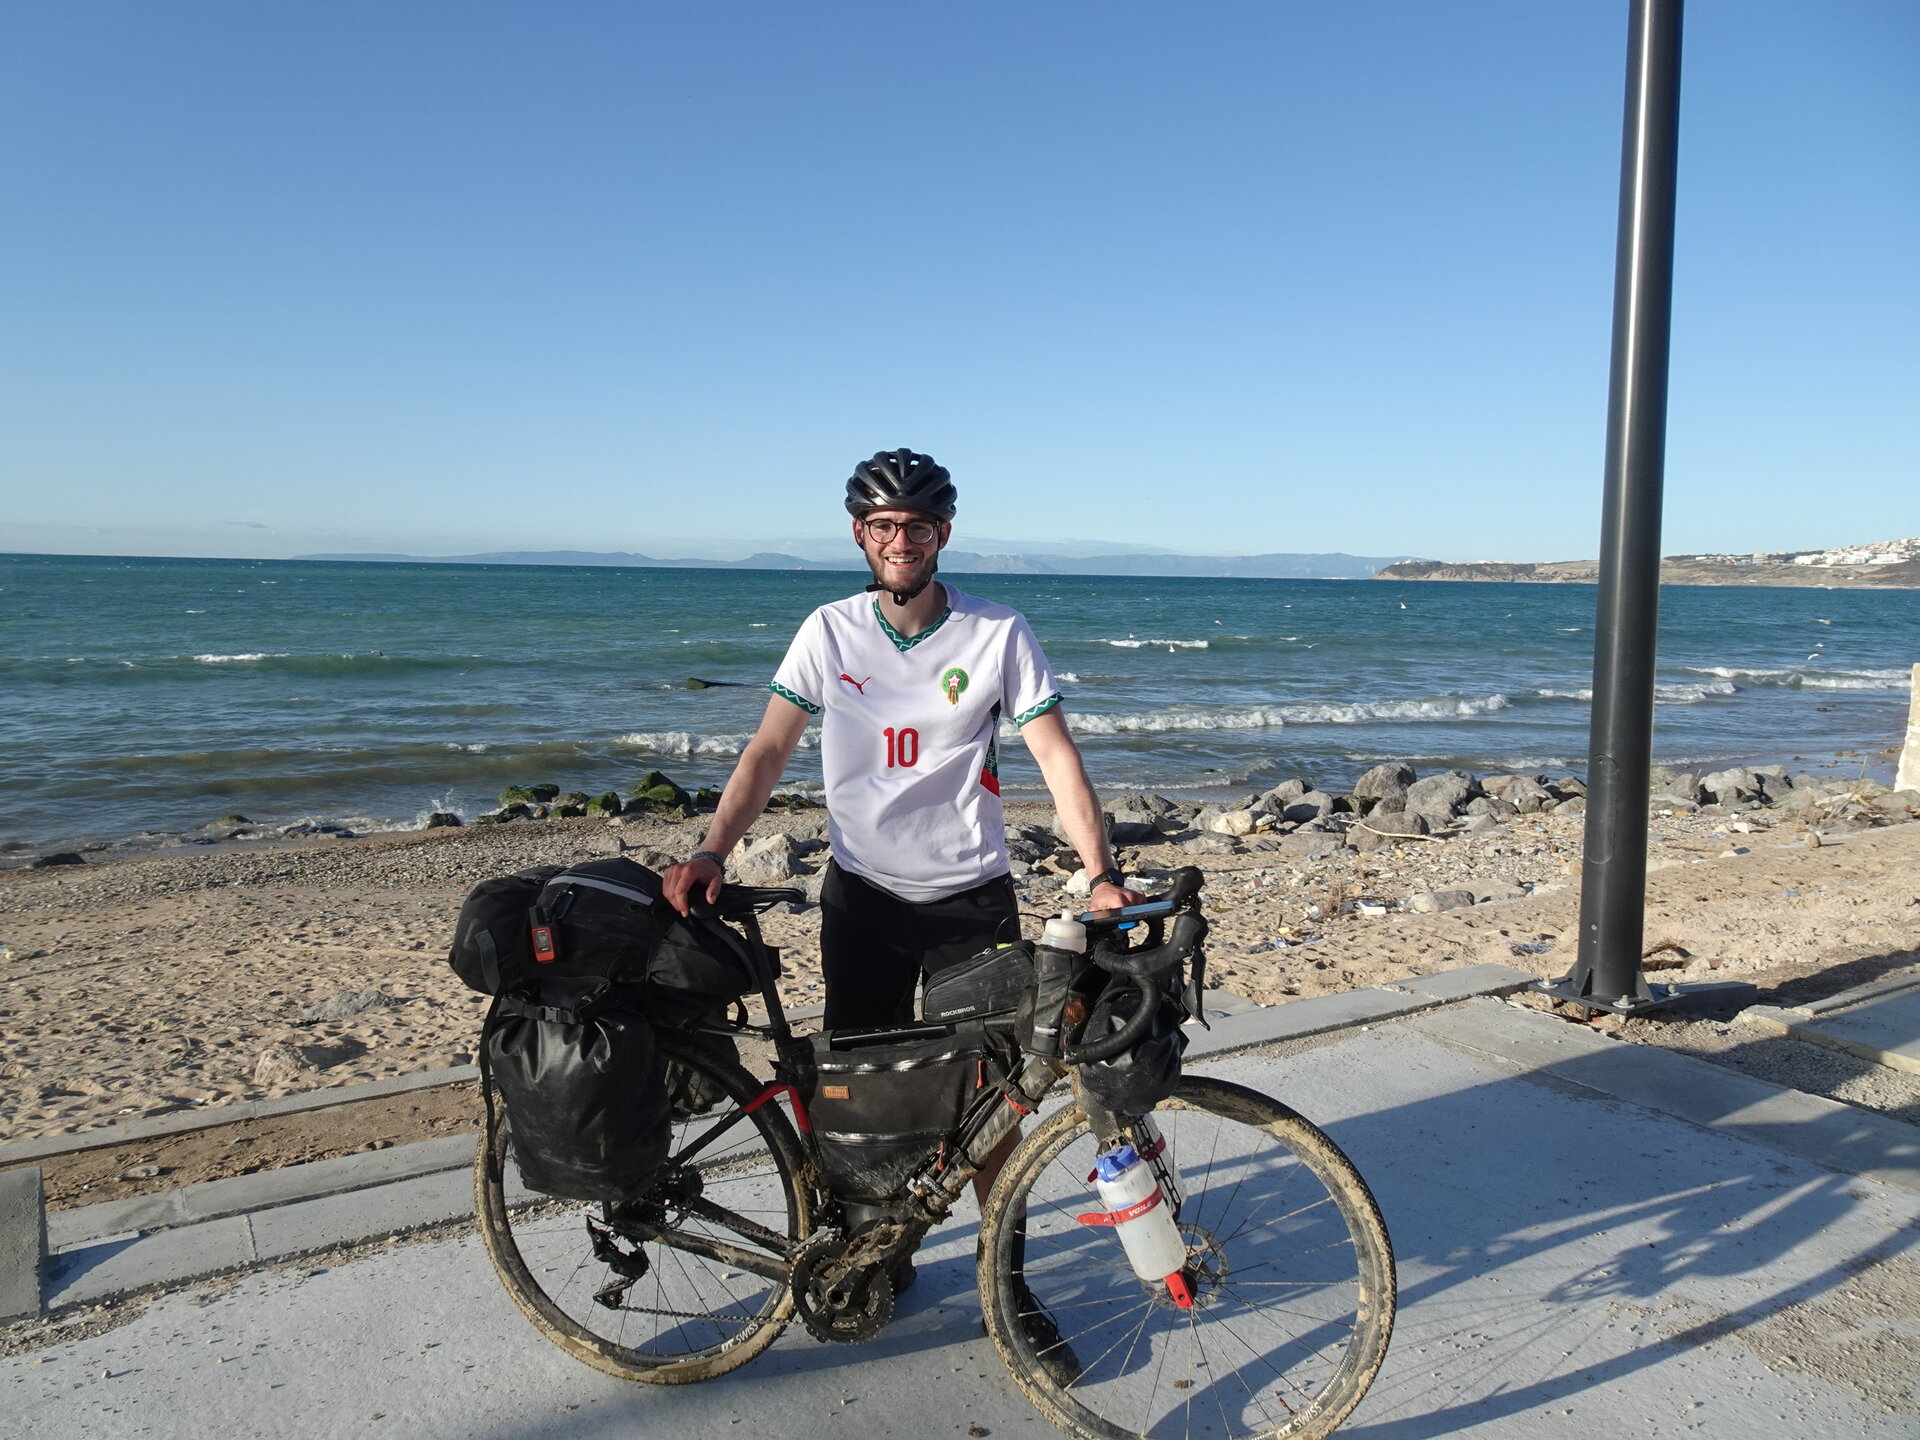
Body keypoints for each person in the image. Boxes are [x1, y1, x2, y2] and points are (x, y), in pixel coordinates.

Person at [662, 448, 1141, 1378]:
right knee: (860, 1096)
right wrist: (713, 849)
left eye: (917, 527)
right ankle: (882, 1248)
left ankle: (1007, 1284)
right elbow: (768, 750)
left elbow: (1056, 756)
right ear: (860, 534)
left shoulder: (997, 632)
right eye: (882, 526)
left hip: (971, 898)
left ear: (942, 535)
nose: (899, 541)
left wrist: (1100, 874)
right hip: (865, 901)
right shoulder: (830, 631)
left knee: (994, 1103)